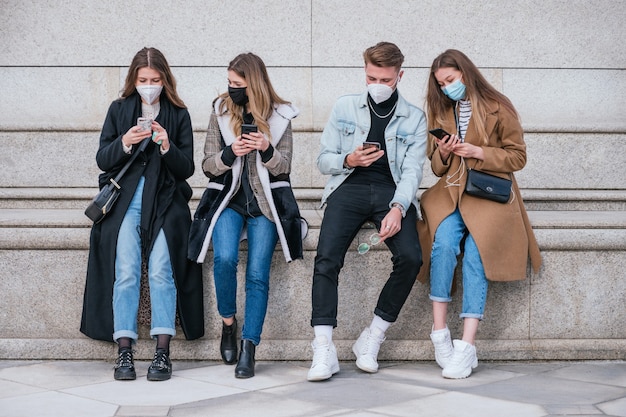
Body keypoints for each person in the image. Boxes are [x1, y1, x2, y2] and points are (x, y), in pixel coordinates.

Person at [80, 47, 204, 382]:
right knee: (126, 271)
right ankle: (124, 351)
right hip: (125, 202)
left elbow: (187, 168)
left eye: (154, 80)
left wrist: (165, 145)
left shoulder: (178, 113)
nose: (148, 85)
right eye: (143, 80)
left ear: (165, 79)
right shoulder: (119, 109)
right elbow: (103, 159)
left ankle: (162, 352)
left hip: (165, 202)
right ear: (133, 80)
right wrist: (125, 141)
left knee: (162, 269)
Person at [417, 49, 542, 379]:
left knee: (475, 255)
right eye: (441, 84)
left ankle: (466, 345)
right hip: (454, 194)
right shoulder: (442, 108)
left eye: (451, 80)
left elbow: (517, 158)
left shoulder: (499, 106)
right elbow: (436, 167)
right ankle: (440, 333)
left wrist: (477, 152)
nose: (446, 88)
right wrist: (443, 153)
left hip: (489, 195)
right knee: (442, 245)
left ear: (465, 73)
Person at [307, 42, 427, 382]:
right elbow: (323, 160)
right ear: (365, 72)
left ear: (400, 76)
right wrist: (349, 160)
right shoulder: (345, 106)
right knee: (327, 258)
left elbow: (413, 172)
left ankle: (373, 335)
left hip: (391, 192)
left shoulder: (414, 117)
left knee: (411, 257)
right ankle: (323, 347)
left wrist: (399, 207)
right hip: (348, 187)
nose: (377, 84)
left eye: (385, 79)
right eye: (372, 76)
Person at [187, 52, 302, 379]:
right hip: (229, 201)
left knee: (257, 275)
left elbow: (285, 168)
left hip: (265, 206)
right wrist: (229, 152)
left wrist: (266, 147)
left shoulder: (281, 115)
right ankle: (228, 324)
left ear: (255, 83)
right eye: (229, 83)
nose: (232, 89)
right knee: (223, 259)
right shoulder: (221, 111)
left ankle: (249, 346)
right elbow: (207, 164)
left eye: (238, 84)